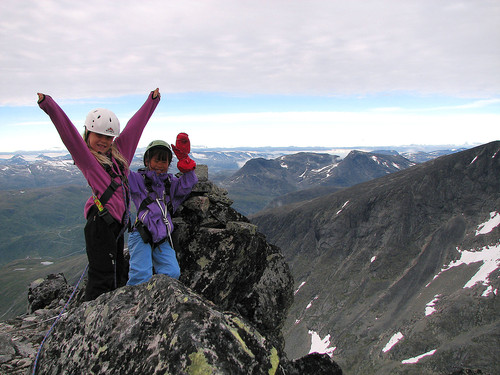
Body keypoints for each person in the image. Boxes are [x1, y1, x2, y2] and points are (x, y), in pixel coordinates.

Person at [37, 88, 161, 300]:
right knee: (102, 278)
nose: (104, 141)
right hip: (100, 226)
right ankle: (92, 321)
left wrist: (152, 101)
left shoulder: (120, 156)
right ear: (88, 134)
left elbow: (135, 128)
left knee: (118, 274)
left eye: (108, 136)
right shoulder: (88, 159)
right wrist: (48, 104)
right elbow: (68, 133)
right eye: (98, 135)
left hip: (117, 226)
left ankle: (112, 316)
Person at [127, 134, 197, 285]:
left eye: (164, 160)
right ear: (147, 161)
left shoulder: (170, 184)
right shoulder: (138, 180)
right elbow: (122, 174)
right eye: (156, 159)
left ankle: (157, 301)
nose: (160, 164)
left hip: (162, 238)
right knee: (141, 276)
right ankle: (134, 306)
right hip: (141, 235)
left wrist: (185, 160)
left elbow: (187, 184)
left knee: (172, 272)